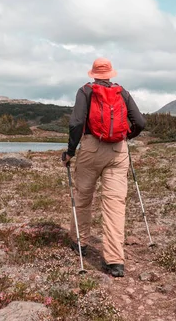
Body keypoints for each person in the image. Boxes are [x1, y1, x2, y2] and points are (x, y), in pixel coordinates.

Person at [62, 57, 146, 277]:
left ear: (93, 74)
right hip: (118, 151)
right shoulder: (122, 92)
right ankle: (115, 261)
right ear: (110, 74)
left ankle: (80, 243)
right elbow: (141, 122)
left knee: (83, 198)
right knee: (115, 204)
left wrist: (70, 151)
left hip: (91, 149)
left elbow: (76, 123)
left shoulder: (85, 91)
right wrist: (127, 135)